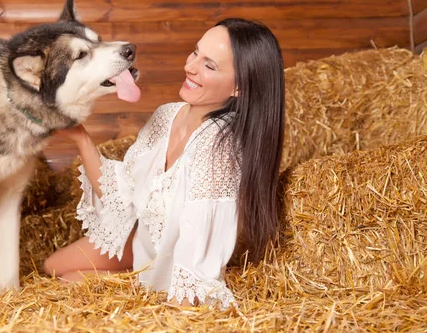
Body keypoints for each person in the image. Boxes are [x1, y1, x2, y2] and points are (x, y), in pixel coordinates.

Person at [44, 18, 285, 310]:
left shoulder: (218, 148)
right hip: (144, 246)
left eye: (209, 65)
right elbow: (122, 195)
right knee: (53, 266)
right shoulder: (167, 115)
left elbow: (198, 245)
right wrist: (80, 138)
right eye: (195, 52)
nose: (191, 67)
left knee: (70, 282)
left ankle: (136, 285)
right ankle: (129, 274)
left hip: (169, 272)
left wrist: (171, 310)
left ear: (240, 87)